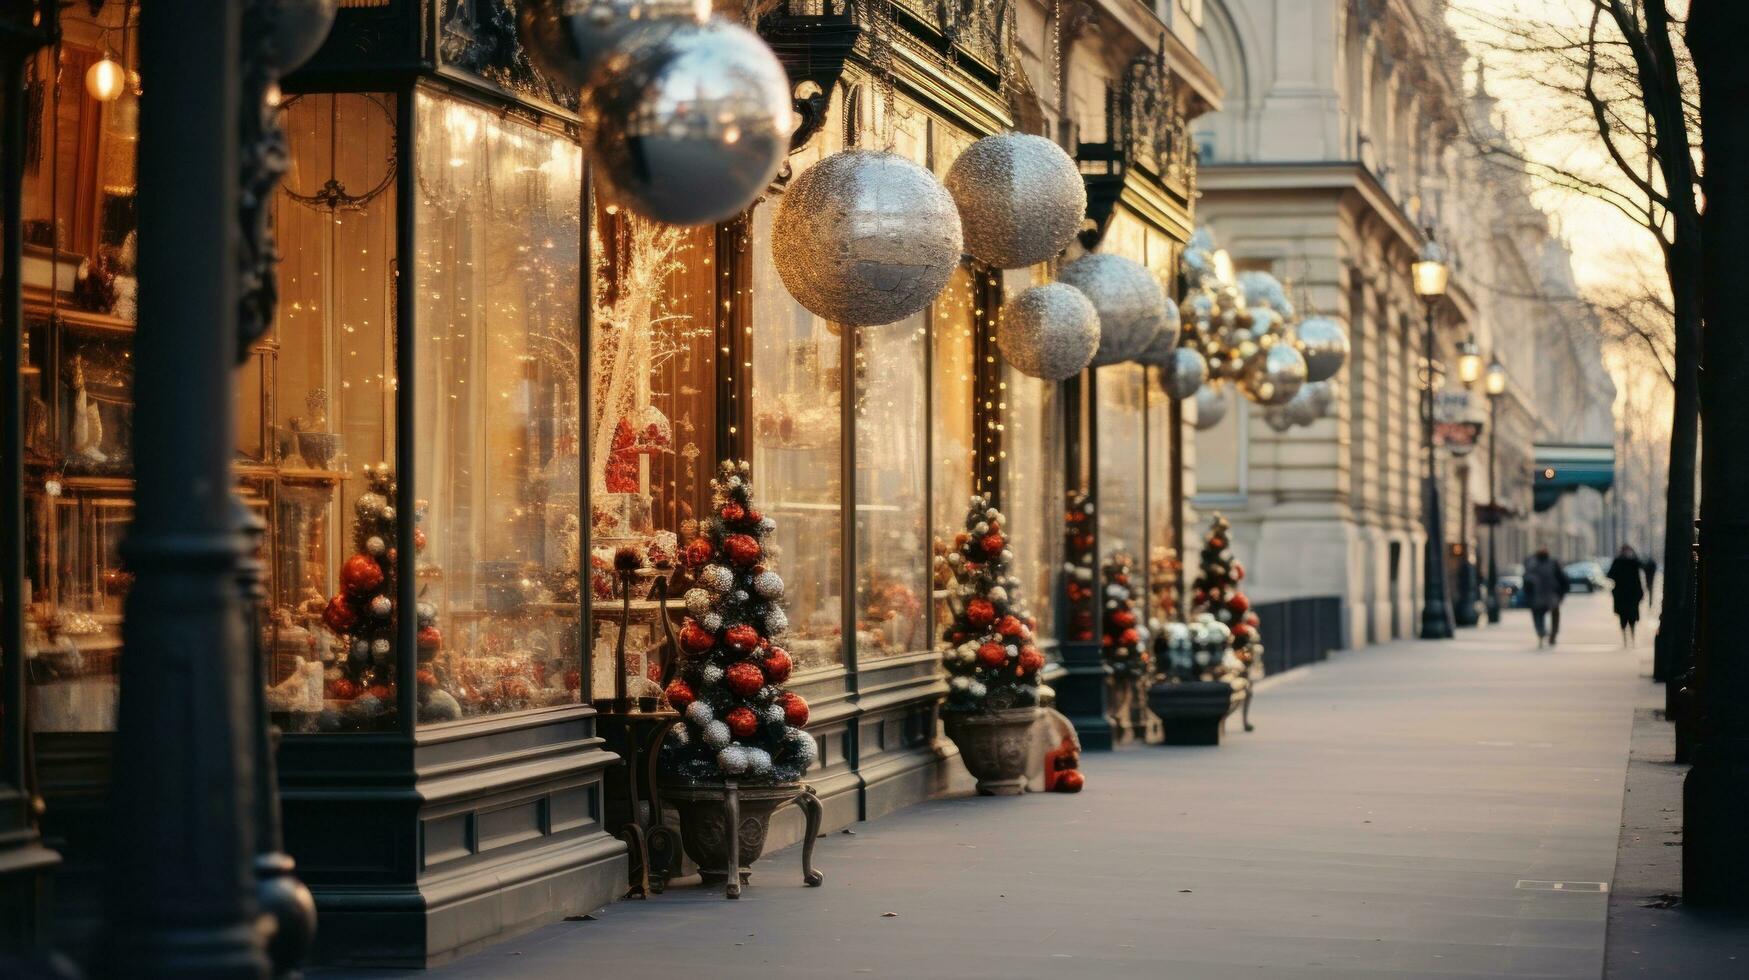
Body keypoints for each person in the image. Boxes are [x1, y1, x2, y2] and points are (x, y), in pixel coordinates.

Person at [1523, 548, 1568, 648]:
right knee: (1548, 613)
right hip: (1547, 595)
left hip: (1544, 595)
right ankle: (1546, 632)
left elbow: (1526, 580)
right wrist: (1561, 593)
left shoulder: (1533, 563)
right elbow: (1562, 578)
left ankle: (1544, 632)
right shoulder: (1546, 563)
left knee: (1539, 613)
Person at [1607, 545, 1646, 646]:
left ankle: (1632, 638)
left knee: (1632, 618)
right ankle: (1625, 640)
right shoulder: (1618, 561)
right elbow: (1610, 574)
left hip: (1632, 595)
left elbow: (1643, 567)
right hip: (1622, 595)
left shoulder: (1634, 562)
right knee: (1623, 618)